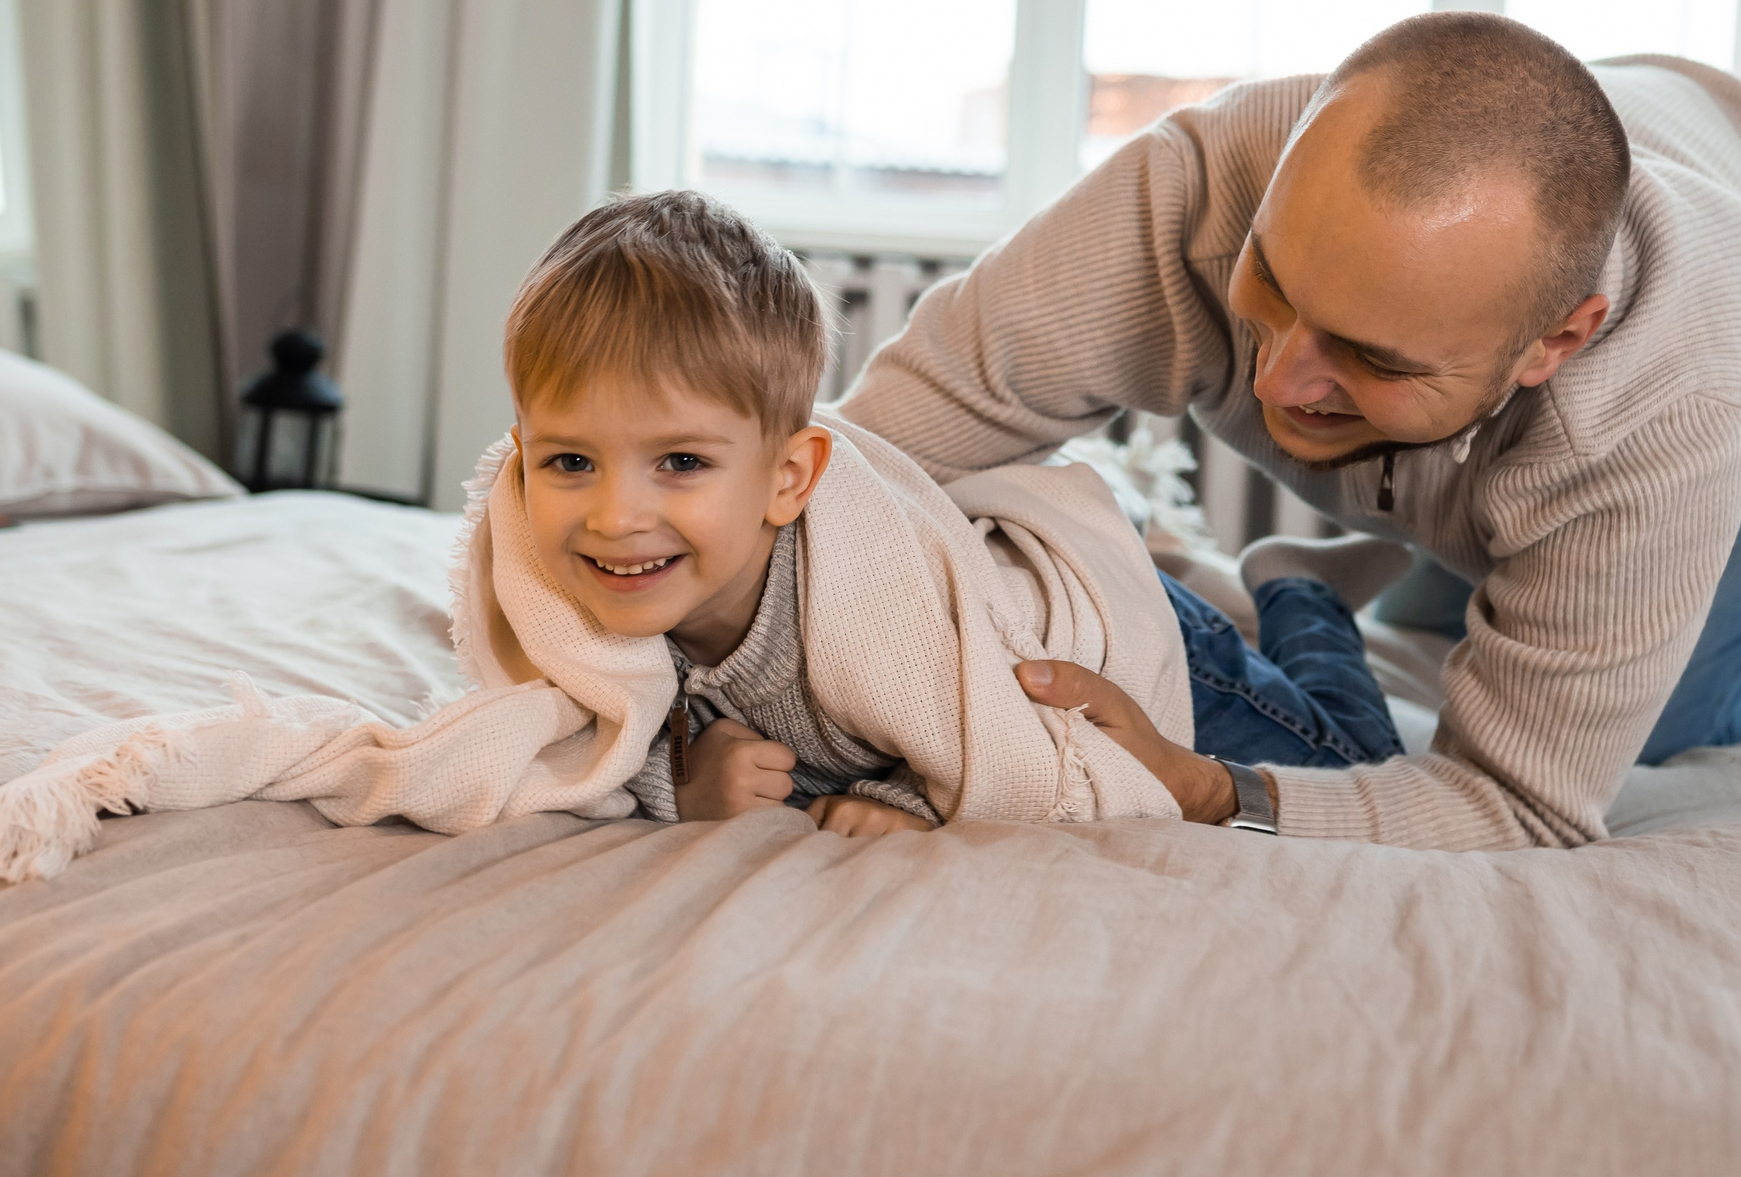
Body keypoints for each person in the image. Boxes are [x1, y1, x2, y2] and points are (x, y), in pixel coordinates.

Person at [840, 12, 1741, 851]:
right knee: (1468, 620)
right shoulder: (1188, 196)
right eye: (1270, 283)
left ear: (1554, 343)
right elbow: (853, 467)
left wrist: (1217, 792)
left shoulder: (1671, 403)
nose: (1280, 379)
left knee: (1661, 728)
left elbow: (1522, 805)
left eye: (1374, 359)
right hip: (1613, 166)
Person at [500, 191, 1413, 836]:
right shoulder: (576, 582)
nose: (616, 515)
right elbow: (576, 736)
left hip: (1100, 651)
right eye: (571, 461)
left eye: (681, 463)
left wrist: (915, 797)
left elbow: (990, 731)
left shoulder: (862, 594)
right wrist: (684, 789)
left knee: (1349, 770)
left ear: (789, 478)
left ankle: (1300, 591)